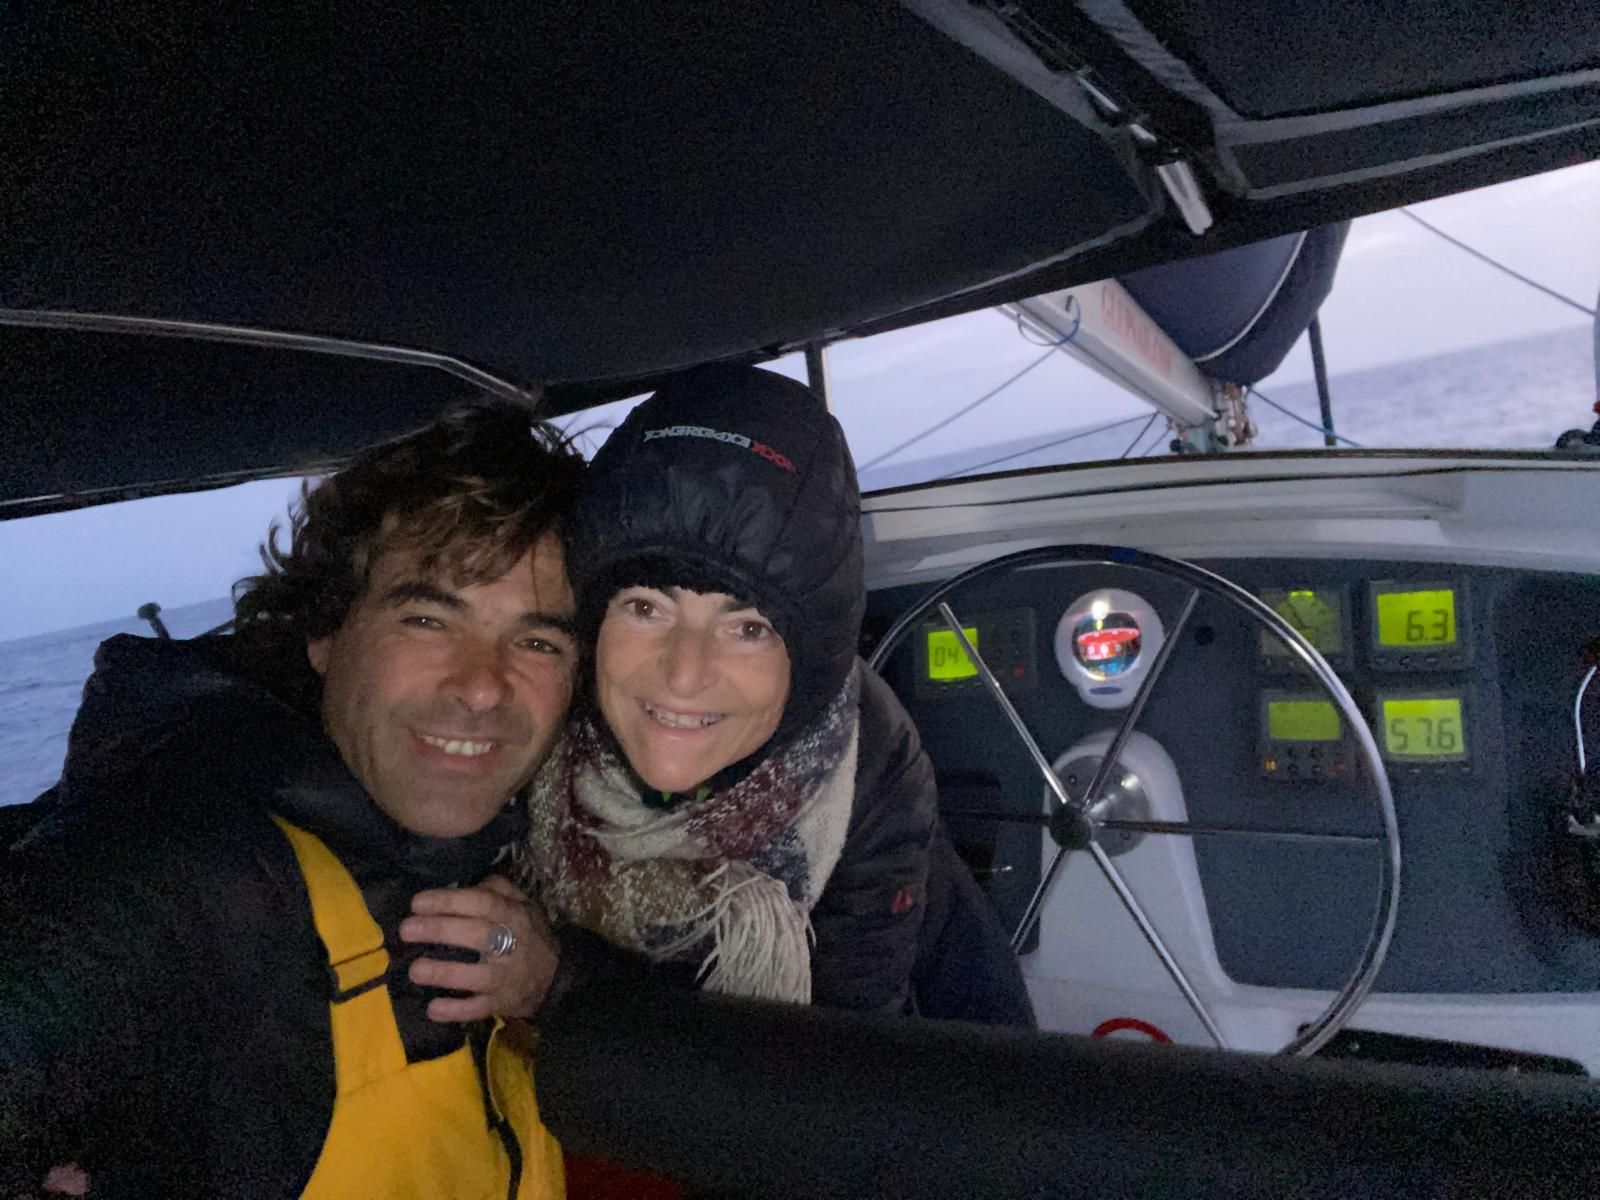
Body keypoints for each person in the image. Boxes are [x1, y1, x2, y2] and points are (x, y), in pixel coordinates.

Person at [0, 404, 586, 1198]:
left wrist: (549, 983)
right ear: (325, 633)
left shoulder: (529, 854)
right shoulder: (184, 881)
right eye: (427, 618)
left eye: (538, 640)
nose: (483, 687)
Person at [520, 365, 1033, 1022]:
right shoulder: (538, 706)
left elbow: (826, 1059)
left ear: (810, 661)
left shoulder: (869, 781)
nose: (684, 675)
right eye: (645, 608)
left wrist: (562, 982)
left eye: (749, 628)